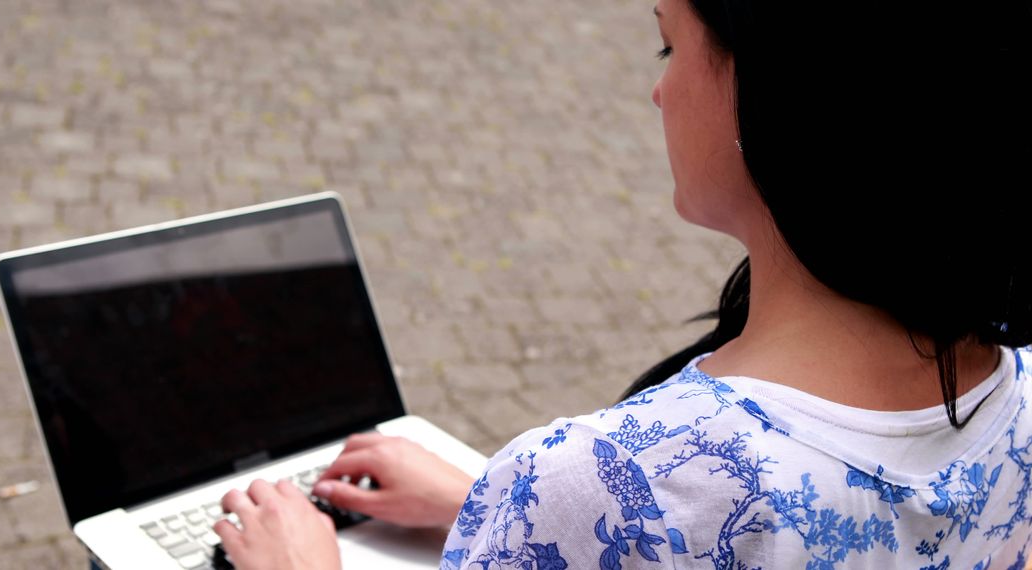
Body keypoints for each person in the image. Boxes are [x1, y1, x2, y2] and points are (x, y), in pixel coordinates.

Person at [212, 0, 1032, 568]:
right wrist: (494, 511)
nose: (657, 88)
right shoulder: (1014, 387)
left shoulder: (618, 478)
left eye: (669, 46)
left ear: (777, 90)